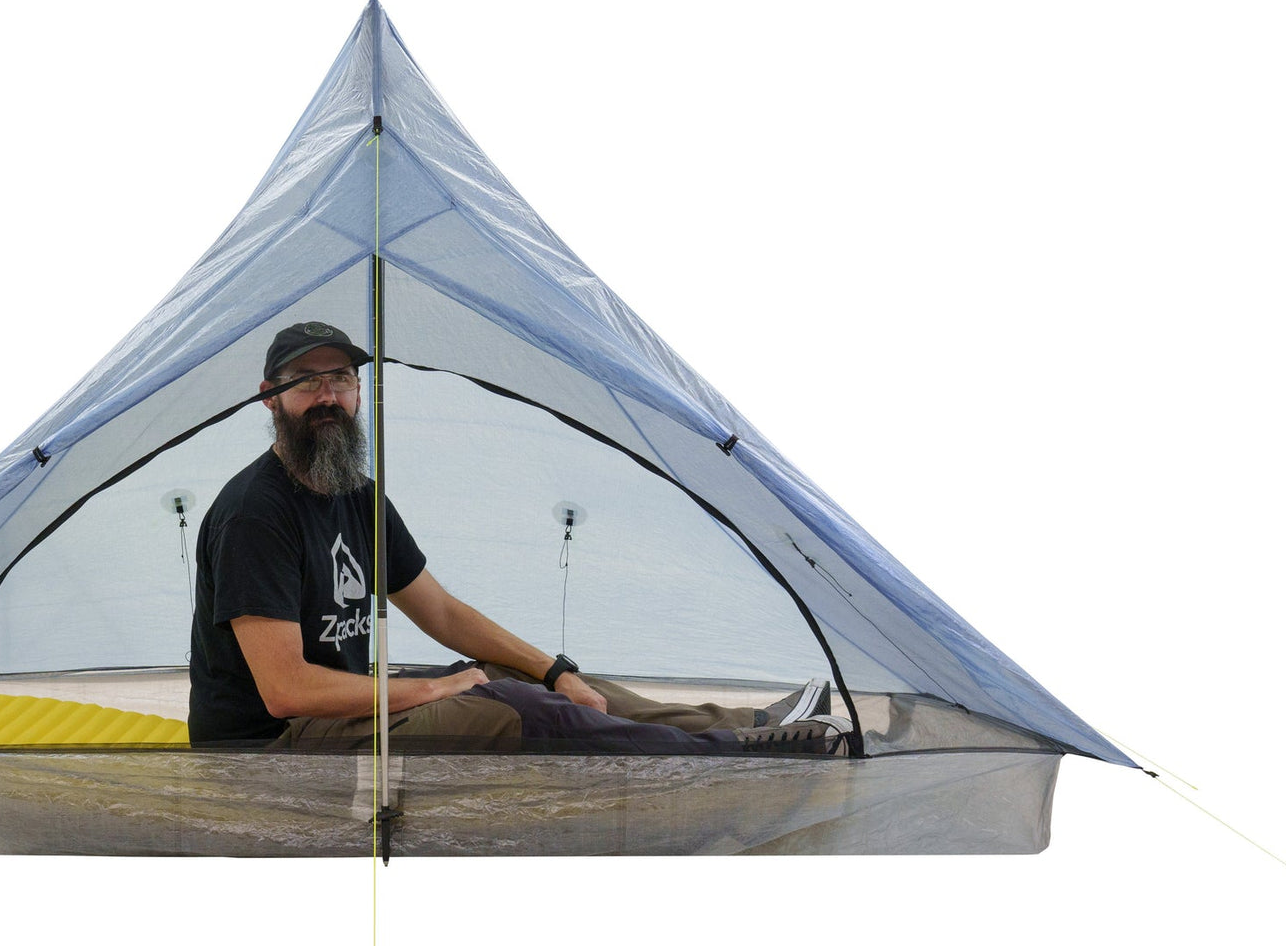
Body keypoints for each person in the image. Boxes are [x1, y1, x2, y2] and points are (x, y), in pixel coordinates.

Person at [186, 320, 853, 754]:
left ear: (360, 392)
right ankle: (742, 753)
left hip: (338, 705)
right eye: (307, 382)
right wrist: (429, 690)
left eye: (341, 378)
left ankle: (752, 722)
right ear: (270, 397)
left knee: (535, 681)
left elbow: (442, 613)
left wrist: (556, 670)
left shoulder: (357, 494)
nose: (328, 396)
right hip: (271, 741)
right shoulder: (255, 513)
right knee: (514, 706)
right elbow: (286, 691)